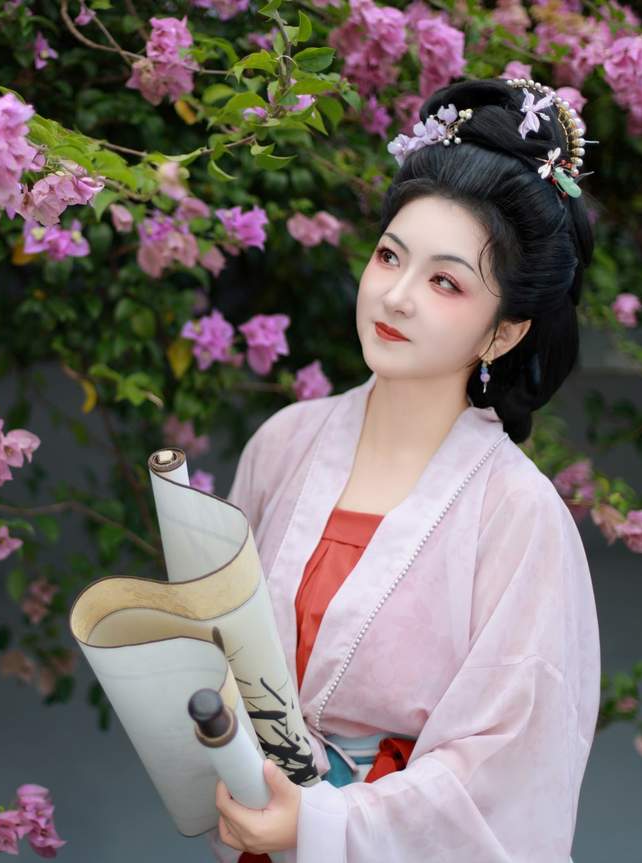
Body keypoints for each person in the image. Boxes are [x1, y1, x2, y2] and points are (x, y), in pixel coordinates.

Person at [205, 76, 602, 862]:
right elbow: (217, 636)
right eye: (390, 255)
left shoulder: (516, 515)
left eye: (445, 281)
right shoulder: (283, 443)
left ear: (502, 332)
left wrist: (325, 823)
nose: (395, 295)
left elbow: (509, 766)